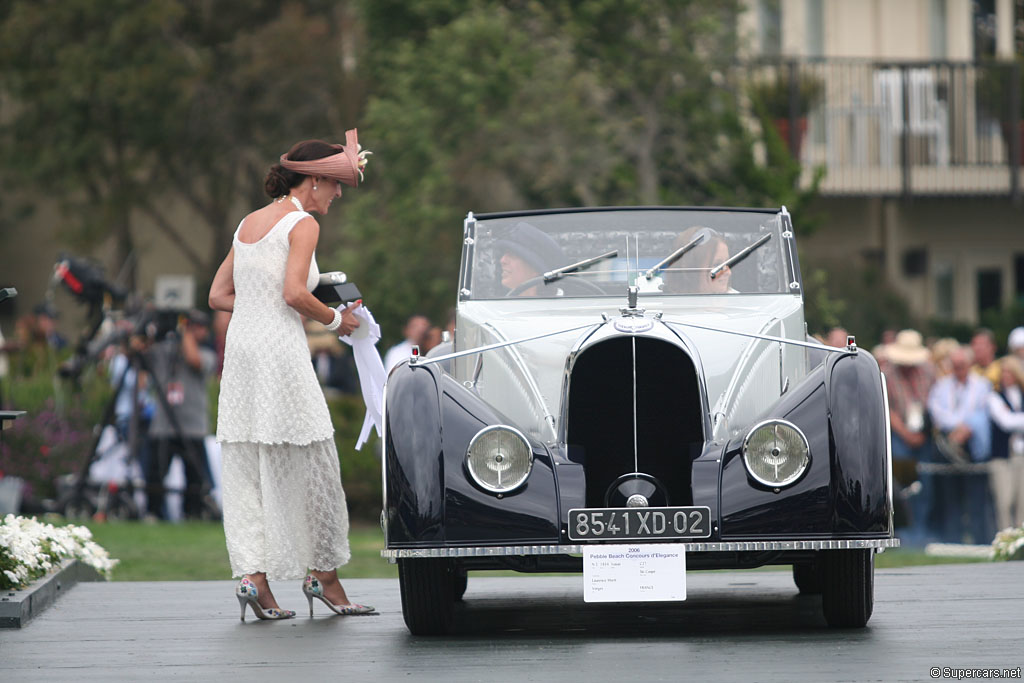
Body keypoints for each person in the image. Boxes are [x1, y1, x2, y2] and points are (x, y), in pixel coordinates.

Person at [209, 131, 374, 621]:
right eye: (336, 185)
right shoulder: (301, 224)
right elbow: (294, 295)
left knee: (247, 459)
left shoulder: (247, 223)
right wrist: (337, 320)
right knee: (314, 455)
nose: (339, 194)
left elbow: (218, 295)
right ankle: (323, 578)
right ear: (317, 180)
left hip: (242, 351)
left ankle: (253, 579)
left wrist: (264, 306)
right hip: (280, 351)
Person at [144, 310, 216, 521]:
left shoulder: (207, 354)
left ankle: (192, 512)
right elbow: (143, 356)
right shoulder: (164, 351)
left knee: (194, 476)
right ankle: (154, 512)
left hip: (192, 426)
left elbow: (193, 359)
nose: (194, 331)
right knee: (155, 473)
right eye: (190, 326)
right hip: (164, 424)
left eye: (197, 327)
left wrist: (184, 333)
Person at [928, 346, 994, 544]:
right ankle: (952, 540)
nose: (959, 369)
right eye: (955, 366)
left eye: (962, 365)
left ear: (969, 365)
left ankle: (980, 540)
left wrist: (965, 427)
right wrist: (959, 426)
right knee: (951, 498)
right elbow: (936, 411)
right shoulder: (941, 386)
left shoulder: (982, 385)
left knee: (976, 497)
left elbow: (982, 411)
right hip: (948, 444)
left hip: (972, 447)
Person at [878, 329, 936, 545]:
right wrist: (906, 434)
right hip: (899, 436)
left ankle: (923, 529)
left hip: (923, 435)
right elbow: (888, 408)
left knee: (926, 483)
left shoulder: (929, 372)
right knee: (905, 484)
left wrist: (922, 433)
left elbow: (935, 402)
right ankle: (906, 532)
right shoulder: (887, 374)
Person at [987, 356, 1024, 530]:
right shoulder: (995, 396)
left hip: (1021, 454)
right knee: (1004, 500)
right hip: (1003, 455)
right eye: (1003, 372)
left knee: (1021, 501)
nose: (1006, 375)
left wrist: (1015, 418)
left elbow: (1011, 420)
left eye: (1009, 372)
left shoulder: (1020, 395)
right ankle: (1005, 538)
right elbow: (1005, 422)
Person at [494, 221, 566, 296]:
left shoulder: (561, 306)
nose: (502, 260)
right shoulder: (500, 304)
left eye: (513, 255)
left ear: (535, 268)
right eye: (504, 254)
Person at [662, 227, 735, 294]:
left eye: (727, 263)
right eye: (717, 265)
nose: (728, 272)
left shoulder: (740, 302)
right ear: (690, 269)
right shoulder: (668, 306)